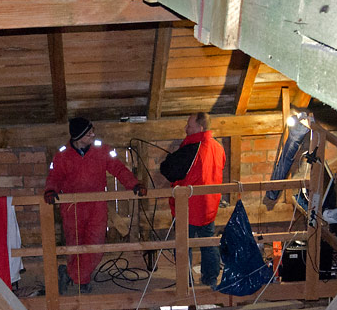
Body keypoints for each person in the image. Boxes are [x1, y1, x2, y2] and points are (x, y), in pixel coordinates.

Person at [44, 117, 147, 294]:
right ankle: (82, 280)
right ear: (78, 137)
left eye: (92, 131)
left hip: (96, 205)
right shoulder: (62, 155)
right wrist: (50, 190)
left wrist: (134, 184)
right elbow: (54, 176)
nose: (93, 135)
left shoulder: (102, 150)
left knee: (96, 246)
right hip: (72, 207)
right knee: (75, 246)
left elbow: (119, 168)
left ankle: (70, 274)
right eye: (89, 133)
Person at [159, 112, 226, 287]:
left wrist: (170, 158)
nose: (185, 128)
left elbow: (169, 170)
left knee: (183, 244)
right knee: (208, 241)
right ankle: (210, 278)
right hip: (209, 205)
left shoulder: (192, 149)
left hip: (189, 206)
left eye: (189, 125)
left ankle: (185, 282)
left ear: (200, 128)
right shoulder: (218, 147)